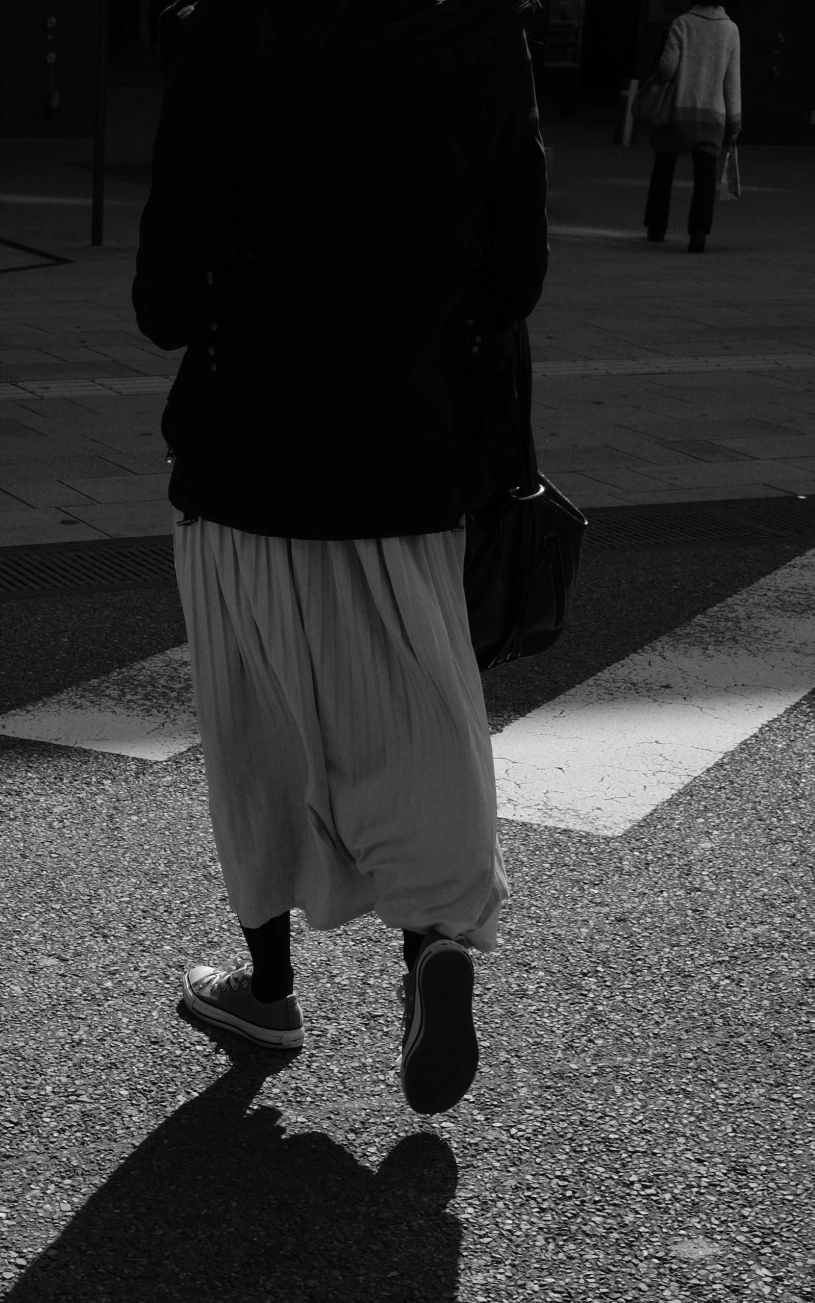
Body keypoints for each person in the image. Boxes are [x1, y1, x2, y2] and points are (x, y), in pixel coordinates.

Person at [133, 0, 548, 1115]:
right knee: (410, 716)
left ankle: (266, 991)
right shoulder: (482, 35)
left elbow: (162, 300)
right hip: (407, 457)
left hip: (247, 453)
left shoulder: (223, 35)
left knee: (257, 729)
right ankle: (432, 951)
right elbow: (513, 279)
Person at [642, 2, 741, 254]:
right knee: (705, 177)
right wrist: (735, 120)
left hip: (678, 113)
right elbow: (732, 80)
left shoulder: (682, 24)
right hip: (713, 118)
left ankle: (656, 227)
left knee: (663, 168)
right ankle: (698, 233)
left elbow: (666, 68)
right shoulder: (730, 30)